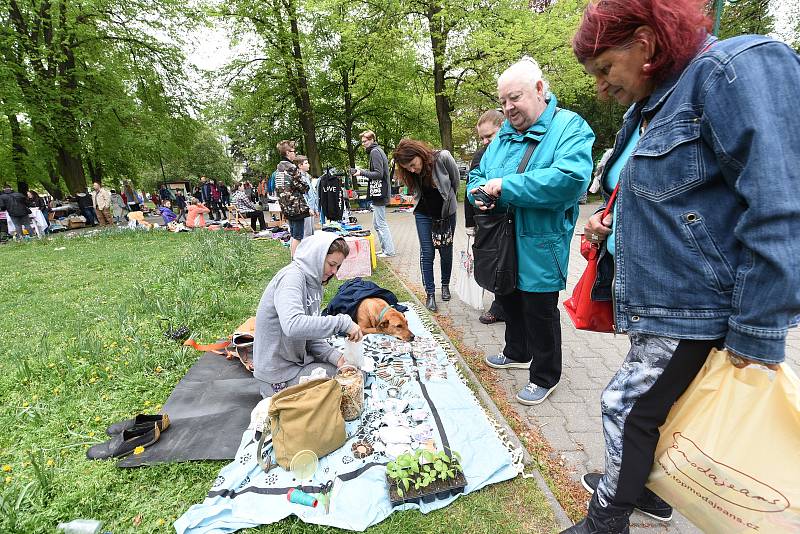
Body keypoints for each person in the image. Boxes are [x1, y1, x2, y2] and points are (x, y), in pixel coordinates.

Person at [562, 2, 800, 533]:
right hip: (664, 302)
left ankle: (606, 521)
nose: (601, 86)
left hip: (699, 307)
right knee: (648, 412)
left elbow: (779, 205)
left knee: (624, 406)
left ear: (645, 44)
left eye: (605, 69)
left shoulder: (731, 71)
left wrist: (755, 333)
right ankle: (645, 486)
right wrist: (609, 222)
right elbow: (671, 197)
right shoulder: (649, 107)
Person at [467, 58, 595, 406]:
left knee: (539, 310)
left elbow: (568, 181)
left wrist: (505, 187)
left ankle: (545, 374)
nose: (508, 108)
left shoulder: (570, 127)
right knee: (507, 296)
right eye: (503, 101)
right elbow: (477, 177)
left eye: (515, 98)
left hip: (542, 241)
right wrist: (478, 195)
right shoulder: (503, 137)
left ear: (540, 90)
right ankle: (516, 351)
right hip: (502, 240)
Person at [253, 232, 363, 398]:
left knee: (354, 374)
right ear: (316, 257)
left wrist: (337, 357)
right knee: (348, 385)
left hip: (295, 363)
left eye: (338, 267)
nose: (334, 272)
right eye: (331, 264)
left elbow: (310, 334)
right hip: (278, 373)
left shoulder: (314, 282)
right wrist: (342, 323)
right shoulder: (291, 278)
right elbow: (293, 325)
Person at [393, 139, 460, 312]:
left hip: (446, 213)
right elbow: (416, 191)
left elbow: (455, 182)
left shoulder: (443, 158)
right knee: (427, 252)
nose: (412, 170)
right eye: (408, 168)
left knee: (446, 250)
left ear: (420, 154)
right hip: (423, 214)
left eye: (413, 165)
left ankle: (445, 285)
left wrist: (448, 202)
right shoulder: (411, 172)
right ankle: (430, 293)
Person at [468, 109, 507, 325]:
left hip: (508, 220)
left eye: (488, 136)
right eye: (481, 137)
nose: (484, 141)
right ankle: (499, 304)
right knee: (494, 263)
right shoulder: (482, 154)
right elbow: (471, 187)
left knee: (505, 264)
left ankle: (503, 306)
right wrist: (469, 221)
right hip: (487, 220)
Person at [354, 130, 396, 257]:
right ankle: (385, 249)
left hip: (380, 192)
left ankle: (389, 251)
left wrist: (361, 172)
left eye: (365, 141)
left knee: (381, 223)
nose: (363, 144)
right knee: (377, 224)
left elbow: (379, 174)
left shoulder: (375, 152)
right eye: (362, 142)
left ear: (372, 140)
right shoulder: (377, 151)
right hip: (379, 192)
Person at [277, 161, 311, 257]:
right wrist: (298, 176)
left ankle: (293, 257)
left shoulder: (279, 177)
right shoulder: (292, 177)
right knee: (298, 236)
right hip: (296, 209)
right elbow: (305, 188)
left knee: (293, 234)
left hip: (287, 209)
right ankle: (296, 259)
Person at [296, 155, 317, 238]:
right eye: (306, 163)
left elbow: (312, 193)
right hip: (306, 209)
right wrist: (308, 208)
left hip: (310, 208)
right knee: (306, 233)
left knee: (311, 232)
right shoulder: (299, 177)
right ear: (300, 166)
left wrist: (315, 208)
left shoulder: (307, 176)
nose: (309, 165)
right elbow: (303, 195)